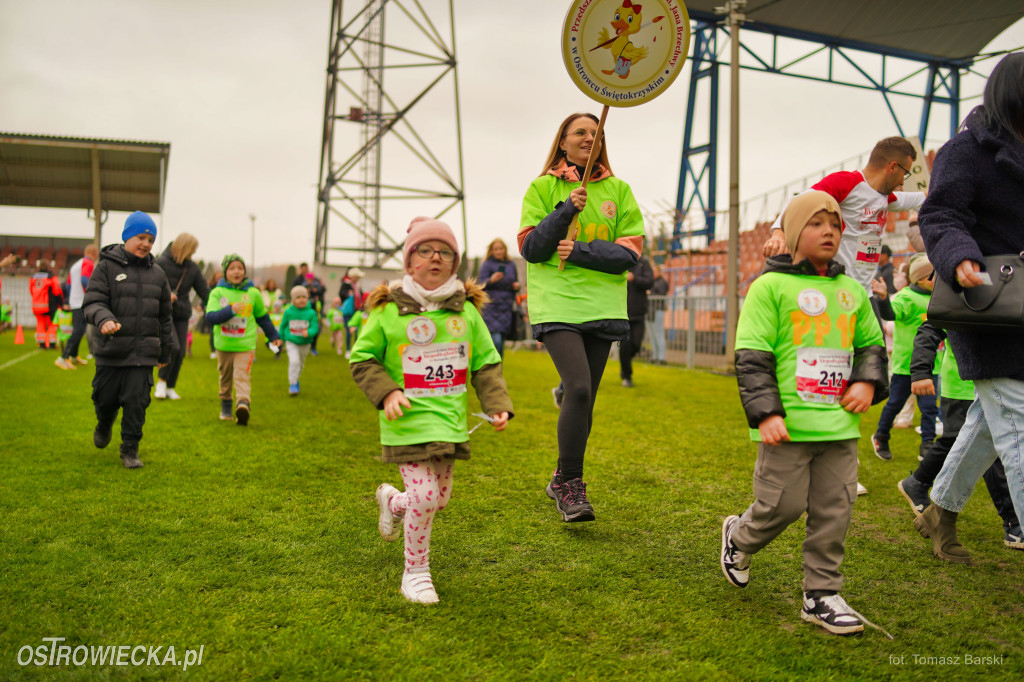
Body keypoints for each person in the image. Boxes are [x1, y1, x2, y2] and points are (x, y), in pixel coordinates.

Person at [723, 191, 888, 636]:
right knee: (782, 506)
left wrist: (866, 382)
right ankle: (739, 538)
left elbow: (871, 346)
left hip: (838, 427)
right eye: (817, 224)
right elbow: (752, 356)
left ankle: (821, 594)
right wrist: (765, 415)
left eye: (834, 224)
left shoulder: (851, 290)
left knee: (835, 510)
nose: (829, 231)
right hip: (786, 426)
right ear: (795, 233)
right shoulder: (769, 287)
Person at [351, 217, 512, 604]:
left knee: (437, 499)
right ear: (409, 262)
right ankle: (416, 572)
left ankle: (391, 501)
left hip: (449, 423)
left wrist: (498, 404)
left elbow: (486, 363)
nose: (435, 257)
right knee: (425, 497)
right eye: (425, 250)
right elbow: (362, 359)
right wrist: (387, 392)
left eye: (444, 252)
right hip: (405, 423)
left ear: (455, 263)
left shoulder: (466, 313)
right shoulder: (388, 311)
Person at [914, 52, 1024, 564]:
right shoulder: (968, 150)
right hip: (986, 304)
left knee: (990, 421)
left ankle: (939, 509)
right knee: (1019, 424)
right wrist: (961, 259)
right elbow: (939, 212)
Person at [519, 112, 644, 522]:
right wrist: (563, 211)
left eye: (596, 132)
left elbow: (629, 255)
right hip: (557, 304)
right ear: (563, 143)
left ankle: (560, 478)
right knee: (578, 388)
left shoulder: (619, 190)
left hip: (604, 308)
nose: (590, 138)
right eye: (581, 132)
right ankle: (571, 484)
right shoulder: (542, 188)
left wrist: (583, 252)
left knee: (585, 398)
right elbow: (532, 248)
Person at [897, 320, 1022, 549]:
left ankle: (921, 488)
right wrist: (921, 371)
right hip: (963, 384)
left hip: (983, 381)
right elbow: (931, 327)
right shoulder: (965, 293)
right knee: (991, 448)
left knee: (972, 440)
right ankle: (1014, 522)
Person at [763, 136, 925, 295]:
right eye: (905, 174)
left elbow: (912, 199)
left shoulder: (884, 197)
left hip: (866, 291)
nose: (903, 182)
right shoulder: (847, 183)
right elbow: (800, 201)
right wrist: (779, 233)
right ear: (893, 167)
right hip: (838, 289)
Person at [83, 211, 174, 469]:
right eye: (141, 237)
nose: (146, 243)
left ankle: (130, 450)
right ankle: (104, 421)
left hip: (143, 354)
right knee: (104, 398)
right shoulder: (106, 267)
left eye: (150, 239)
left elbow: (165, 317)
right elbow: (93, 302)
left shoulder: (159, 274)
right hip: (111, 351)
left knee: (137, 402)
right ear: (126, 237)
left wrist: (165, 353)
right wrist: (104, 320)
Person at [871, 255, 938, 461]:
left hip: (930, 367)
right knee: (895, 403)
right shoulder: (905, 296)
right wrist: (883, 299)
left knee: (928, 408)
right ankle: (881, 435)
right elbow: (891, 314)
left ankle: (927, 443)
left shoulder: (938, 298)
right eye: (936, 275)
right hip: (905, 366)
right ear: (922, 279)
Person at [205, 254, 283, 425]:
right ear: (225, 272)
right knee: (225, 377)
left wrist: (274, 336)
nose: (236, 271)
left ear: (244, 271)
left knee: (242, 375)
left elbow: (263, 318)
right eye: (232, 268)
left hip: (246, 344)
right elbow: (210, 318)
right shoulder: (218, 293)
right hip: (224, 344)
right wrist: (230, 310)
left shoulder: (253, 293)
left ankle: (243, 404)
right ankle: (226, 406)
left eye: (240, 268)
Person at [154, 234, 210, 400]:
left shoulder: (192, 268)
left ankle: (171, 387)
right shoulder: (160, 263)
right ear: (184, 247)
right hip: (163, 312)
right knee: (173, 347)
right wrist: (166, 295)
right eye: (192, 249)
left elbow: (204, 291)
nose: (193, 252)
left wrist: (216, 306)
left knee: (181, 352)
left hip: (182, 313)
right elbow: (151, 286)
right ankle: (161, 382)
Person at [56, 244, 98, 370]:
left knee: (79, 330)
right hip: (81, 301)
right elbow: (85, 279)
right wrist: (91, 293)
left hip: (75, 301)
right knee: (78, 330)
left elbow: (68, 286)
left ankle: (73, 356)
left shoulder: (76, 265)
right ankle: (63, 358)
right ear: (95, 254)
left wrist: (70, 299)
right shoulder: (88, 263)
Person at [478, 237, 520, 358]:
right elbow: (480, 285)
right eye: (496, 249)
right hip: (491, 307)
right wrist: (491, 280)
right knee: (495, 340)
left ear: (504, 250)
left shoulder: (511, 265)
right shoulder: (487, 264)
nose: (498, 251)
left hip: (506, 307)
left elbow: (515, 282)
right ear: (491, 251)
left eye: (500, 249)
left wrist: (516, 286)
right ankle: (493, 365)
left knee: (501, 341)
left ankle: (498, 368)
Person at [620, 254, 653, 386]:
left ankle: (626, 365)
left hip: (639, 312)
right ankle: (627, 376)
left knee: (636, 345)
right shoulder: (622, 260)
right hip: (623, 313)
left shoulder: (643, 263)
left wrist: (634, 279)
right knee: (625, 346)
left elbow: (650, 282)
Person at [280, 285, 319, 396]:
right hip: (291, 341)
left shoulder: (311, 313)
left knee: (300, 365)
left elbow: (315, 327)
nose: (301, 299)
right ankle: (292, 384)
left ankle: (296, 380)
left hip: (305, 343)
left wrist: (309, 332)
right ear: (293, 300)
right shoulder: (288, 312)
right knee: (294, 361)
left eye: (304, 297)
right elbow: (283, 326)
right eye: (298, 297)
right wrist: (281, 340)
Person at [29, 263, 61, 348]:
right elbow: (56, 291)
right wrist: (61, 303)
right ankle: (52, 344)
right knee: (52, 324)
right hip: (49, 305)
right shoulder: (51, 277)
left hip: (37, 305)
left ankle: (41, 344)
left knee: (40, 324)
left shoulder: (33, 277)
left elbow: (31, 291)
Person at [647, 263, 670, 364]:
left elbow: (661, 292)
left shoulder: (662, 282)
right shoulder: (652, 282)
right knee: (652, 334)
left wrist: (650, 293)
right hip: (650, 311)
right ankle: (655, 355)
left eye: (656, 271)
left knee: (659, 333)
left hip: (658, 310)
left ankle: (661, 357)